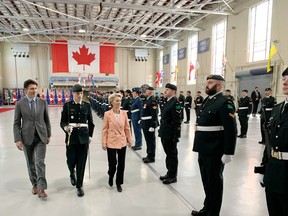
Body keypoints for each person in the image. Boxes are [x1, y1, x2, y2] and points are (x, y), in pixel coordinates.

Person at [192, 75, 237, 216]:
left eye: (210, 83)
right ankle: (207, 207)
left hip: (215, 148)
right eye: (207, 82)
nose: (207, 85)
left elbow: (231, 129)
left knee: (215, 182)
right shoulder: (208, 100)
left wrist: (228, 152)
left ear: (219, 85)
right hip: (203, 146)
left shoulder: (225, 102)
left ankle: (213, 212)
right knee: (206, 179)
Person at [13, 79, 51, 199]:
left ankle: (41, 188)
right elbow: (16, 123)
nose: (34, 91)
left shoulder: (42, 102)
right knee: (31, 163)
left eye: (35, 88)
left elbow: (47, 120)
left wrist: (48, 134)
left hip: (41, 136)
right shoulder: (20, 104)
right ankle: (34, 184)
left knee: (40, 162)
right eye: (31, 89)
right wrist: (17, 139)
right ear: (26, 90)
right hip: (26, 137)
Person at [60, 84, 95, 197]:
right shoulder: (68, 106)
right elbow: (63, 121)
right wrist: (65, 127)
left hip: (84, 138)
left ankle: (79, 186)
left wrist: (90, 136)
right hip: (71, 137)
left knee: (81, 162)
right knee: (71, 161)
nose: (79, 95)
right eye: (77, 93)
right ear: (73, 94)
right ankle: (71, 173)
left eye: (81, 93)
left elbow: (91, 123)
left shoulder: (87, 105)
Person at [263, 68, 288, 216]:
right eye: (284, 78)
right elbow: (271, 140)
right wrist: (264, 166)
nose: (285, 82)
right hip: (274, 170)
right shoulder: (277, 108)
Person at [102, 93, 132, 192]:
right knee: (112, 164)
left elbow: (127, 128)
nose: (119, 102)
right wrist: (104, 142)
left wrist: (129, 140)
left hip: (122, 141)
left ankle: (119, 182)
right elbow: (105, 129)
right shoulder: (107, 114)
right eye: (117, 101)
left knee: (121, 164)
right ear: (111, 102)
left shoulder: (124, 113)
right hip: (111, 141)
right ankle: (111, 175)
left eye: (120, 100)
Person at [159, 83, 182, 184]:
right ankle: (169, 172)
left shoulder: (175, 103)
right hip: (165, 131)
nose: (165, 91)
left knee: (172, 154)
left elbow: (177, 121)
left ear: (173, 91)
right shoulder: (167, 101)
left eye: (167, 89)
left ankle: (173, 176)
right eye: (165, 89)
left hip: (170, 133)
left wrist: (176, 136)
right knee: (168, 153)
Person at [141, 86, 159, 163]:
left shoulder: (152, 101)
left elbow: (155, 114)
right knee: (147, 140)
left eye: (147, 91)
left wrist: (153, 125)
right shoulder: (147, 100)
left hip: (149, 123)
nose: (146, 92)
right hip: (145, 123)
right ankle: (149, 155)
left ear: (151, 92)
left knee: (151, 141)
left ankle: (152, 157)